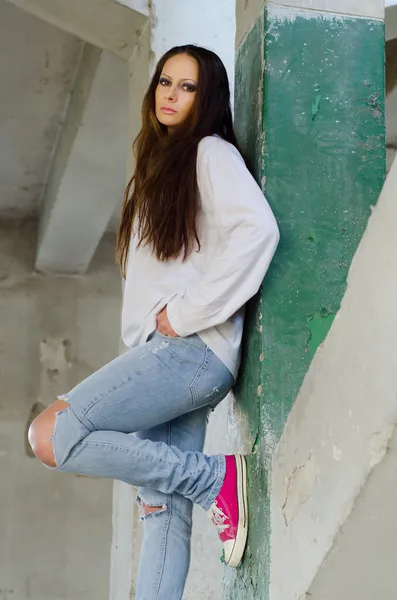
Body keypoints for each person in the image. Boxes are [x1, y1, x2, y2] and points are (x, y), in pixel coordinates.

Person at [28, 44, 279, 599]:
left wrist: (186, 314)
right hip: (172, 360)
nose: (171, 93)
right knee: (161, 513)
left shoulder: (210, 153)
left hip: (186, 354)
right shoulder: (158, 165)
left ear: (207, 97)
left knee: (51, 435)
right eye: (166, 81)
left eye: (187, 87)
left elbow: (259, 231)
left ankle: (216, 479)